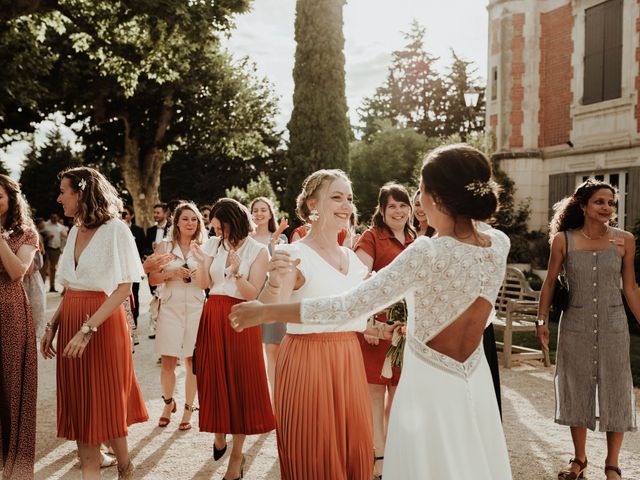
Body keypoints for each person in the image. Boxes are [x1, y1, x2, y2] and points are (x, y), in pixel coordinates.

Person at [229, 145, 513, 479]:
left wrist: (261, 314)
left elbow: (346, 306)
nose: (418, 203)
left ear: (436, 198)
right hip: (475, 380)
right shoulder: (498, 244)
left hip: (429, 389)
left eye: (420, 192)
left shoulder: (425, 252)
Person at [247, 170, 390, 479]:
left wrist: (381, 328)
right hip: (307, 361)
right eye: (336, 197)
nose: (346, 205)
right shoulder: (293, 254)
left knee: (350, 448)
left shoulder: (353, 260)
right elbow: (272, 313)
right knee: (315, 451)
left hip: (349, 360)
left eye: (349, 198)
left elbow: (352, 317)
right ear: (312, 204)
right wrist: (273, 283)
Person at [40, 167, 148, 479]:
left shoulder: (116, 230)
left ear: (82, 193)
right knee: (83, 412)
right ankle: (97, 467)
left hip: (101, 323)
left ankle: (125, 467)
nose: (59, 198)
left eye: (64, 191)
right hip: (72, 316)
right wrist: (53, 326)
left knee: (106, 403)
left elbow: (124, 288)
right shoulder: (73, 231)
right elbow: (70, 287)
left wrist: (88, 330)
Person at [536, 179, 640, 480]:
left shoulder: (625, 241)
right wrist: (541, 321)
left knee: (617, 389)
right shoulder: (563, 241)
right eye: (599, 201)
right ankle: (579, 460)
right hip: (575, 325)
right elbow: (550, 282)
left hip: (614, 324)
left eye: (610, 202)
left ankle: (612, 464)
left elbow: (630, 287)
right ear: (583, 205)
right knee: (575, 386)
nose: (607, 207)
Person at [190, 198, 274, 480]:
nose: (216, 233)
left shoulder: (259, 250)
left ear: (233, 223)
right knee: (212, 376)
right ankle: (218, 433)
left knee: (240, 382)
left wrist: (237, 272)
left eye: (220, 228)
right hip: (212, 313)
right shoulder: (213, 245)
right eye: (213, 228)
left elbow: (252, 294)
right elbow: (204, 285)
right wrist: (202, 262)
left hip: (241, 315)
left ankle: (236, 456)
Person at [352, 182, 415, 478]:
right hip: (376, 329)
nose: (399, 211)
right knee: (375, 396)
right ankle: (378, 458)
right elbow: (358, 281)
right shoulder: (372, 237)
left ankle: (394, 453)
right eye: (392, 206)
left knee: (401, 396)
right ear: (381, 210)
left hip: (406, 330)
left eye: (403, 205)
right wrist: (368, 322)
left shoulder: (416, 239)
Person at [149, 202, 205, 430]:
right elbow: (152, 279)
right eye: (185, 219)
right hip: (170, 306)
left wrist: (197, 273)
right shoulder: (164, 246)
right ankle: (168, 403)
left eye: (194, 219)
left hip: (196, 306)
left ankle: (189, 408)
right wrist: (171, 273)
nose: (190, 223)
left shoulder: (205, 246)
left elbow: (210, 280)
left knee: (192, 362)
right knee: (168, 362)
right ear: (177, 222)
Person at [0, 175, 39, 479]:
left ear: (11, 199)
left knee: (12, 386)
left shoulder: (26, 234)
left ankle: (16, 464)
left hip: (11, 313)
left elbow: (16, 272)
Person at [249, 196, 289, 399]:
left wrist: (275, 241)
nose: (259, 213)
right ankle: (258, 400)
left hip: (274, 297)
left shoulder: (281, 239)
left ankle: (276, 401)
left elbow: (282, 267)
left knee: (273, 348)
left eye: (263, 209)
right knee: (251, 353)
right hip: (251, 297)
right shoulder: (245, 239)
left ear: (270, 213)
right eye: (255, 210)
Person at [145, 203, 171, 338]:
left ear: (165, 213)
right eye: (154, 212)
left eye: (158, 212)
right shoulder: (150, 230)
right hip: (153, 267)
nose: (155, 215)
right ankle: (156, 325)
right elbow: (145, 247)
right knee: (154, 296)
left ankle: (161, 326)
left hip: (166, 266)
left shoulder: (172, 228)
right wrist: (149, 253)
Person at [122, 205, 145, 327]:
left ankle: (133, 323)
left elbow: (142, 251)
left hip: (134, 269)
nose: (123, 216)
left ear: (131, 215)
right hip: (120, 270)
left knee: (134, 295)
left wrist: (141, 270)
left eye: (125, 213)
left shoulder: (138, 231)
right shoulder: (116, 229)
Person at [42, 211, 67, 292]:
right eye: (53, 217)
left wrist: (61, 249)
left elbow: (63, 239)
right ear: (50, 217)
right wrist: (46, 237)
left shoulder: (61, 227)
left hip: (56, 249)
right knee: (44, 268)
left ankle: (52, 287)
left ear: (58, 218)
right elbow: (39, 233)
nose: (54, 219)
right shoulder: (45, 225)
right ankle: (42, 287)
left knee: (53, 268)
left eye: (56, 217)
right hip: (46, 249)